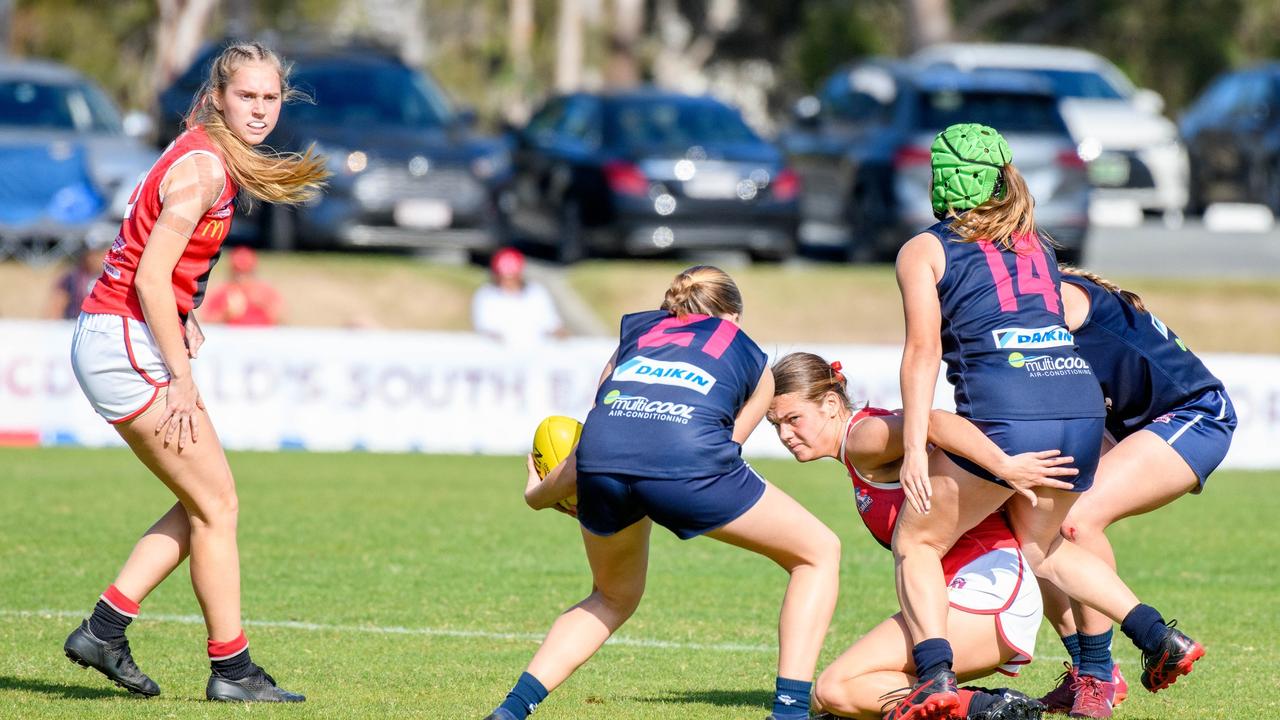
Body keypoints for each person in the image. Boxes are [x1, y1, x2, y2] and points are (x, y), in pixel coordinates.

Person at [889, 123, 1203, 720]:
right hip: (1080, 409)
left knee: (917, 540)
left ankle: (934, 677)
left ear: (939, 179)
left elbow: (922, 351)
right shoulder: (1034, 243)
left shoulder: (923, 249)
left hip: (1008, 413)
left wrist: (911, 450)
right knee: (1043, 546)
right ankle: (1156, 635)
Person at [64, 42, 327, 702]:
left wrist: (181, 315)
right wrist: (180, 374)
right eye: (247, 97)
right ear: (217, 97)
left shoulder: (199, 150)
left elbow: (153, 267)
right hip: (124, 343)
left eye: (270, 98)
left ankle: (106, 628)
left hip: (118, 338)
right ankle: (231, 670)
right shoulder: (205, 166)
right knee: (219, 504)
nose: (260, 109)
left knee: (204, 503)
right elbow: (150, 276)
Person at [484, 266, 842, 720]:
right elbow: (726, 448)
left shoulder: (634, 335)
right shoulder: (750, 355)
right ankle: (789, 712)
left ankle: (512, 711)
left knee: (611, 597)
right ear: (732, 315)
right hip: (688, 466)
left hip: (601, 463)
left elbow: (598, 432)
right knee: (818, 553)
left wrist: (537, 495)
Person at [769, 351, 1078, 720]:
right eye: (776, 425)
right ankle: (977, 704)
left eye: (793, 419)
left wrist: (1005, 467)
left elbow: (933, 422)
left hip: (987, 591)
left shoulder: (862, 438)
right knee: (833, 698)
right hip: (966, 597)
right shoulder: (858, 445)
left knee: (834, 689)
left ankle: (986, 708)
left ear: (831, 404)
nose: (786, 434)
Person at [1032, 267, 1236, 718]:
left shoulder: (1050, 299)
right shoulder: (1029, 290)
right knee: (1029, 526)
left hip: (1194, 416)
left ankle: (1099, 673)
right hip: (1122, 425)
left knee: (1076, 521)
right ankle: (1088, 667)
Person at [471, 246, 566, 345]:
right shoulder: (486, 295)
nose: (508, 282)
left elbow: (552, 325)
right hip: (500, 353)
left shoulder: (536, 292)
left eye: (512, 276)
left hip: (537, 352)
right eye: (504, 276)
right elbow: (485, 329)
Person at [201, 246, 283, 326]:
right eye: (238, 273)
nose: (242, 279)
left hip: (262, 336)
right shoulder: (223, 292)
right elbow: (207, 322)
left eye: (246, 273)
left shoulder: (264, 291)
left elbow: (282, 318)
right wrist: (226, 314)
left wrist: (264, 305)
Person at [46, 244, 102, 320]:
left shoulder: (107, 277)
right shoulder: (72, 277)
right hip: (73, 322)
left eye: (97, 255)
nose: (93, 259)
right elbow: (58, 301)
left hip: (98, 324)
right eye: (90, 255)